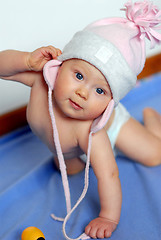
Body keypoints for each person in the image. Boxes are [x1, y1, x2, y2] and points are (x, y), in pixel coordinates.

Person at [0, 1, 161, 239]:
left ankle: (152, 122)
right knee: (69, 168)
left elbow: (109, 174)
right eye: (78, 75)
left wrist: (108, 216)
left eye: (100, 91)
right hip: (68, 150)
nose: (83, 93)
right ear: (59, 66)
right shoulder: (40, 81)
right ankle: (71, 155)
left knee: (154, 155)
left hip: (112, 129)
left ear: (109, 102)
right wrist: (26, 60)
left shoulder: (92, 132)